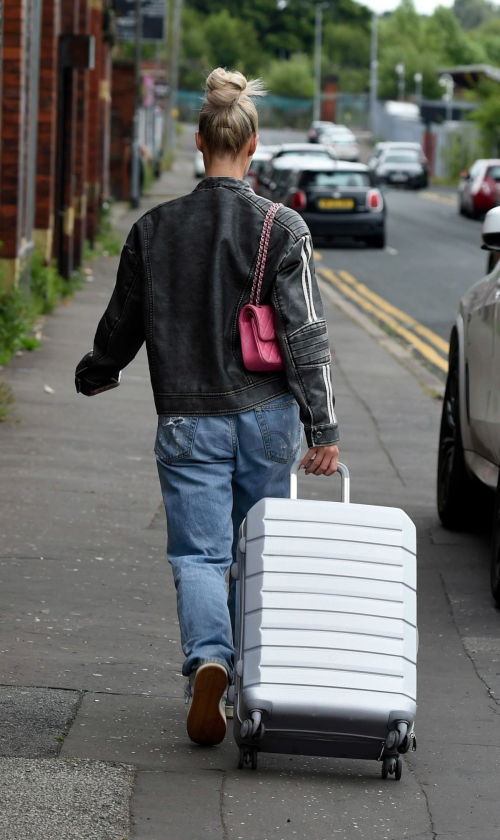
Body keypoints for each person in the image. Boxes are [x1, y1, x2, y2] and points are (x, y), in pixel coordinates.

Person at [75, 67, 339, 748]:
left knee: (199, 555)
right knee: (258, 552)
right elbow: (304, 333)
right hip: (266, 417)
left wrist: (98, 371)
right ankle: (252, 680)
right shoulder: (283, 227)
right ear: (252, 146)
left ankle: (209, 661)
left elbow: (123, 321)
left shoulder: (155, 228)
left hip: (188, 417)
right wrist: (324, 425)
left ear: (199, 141)